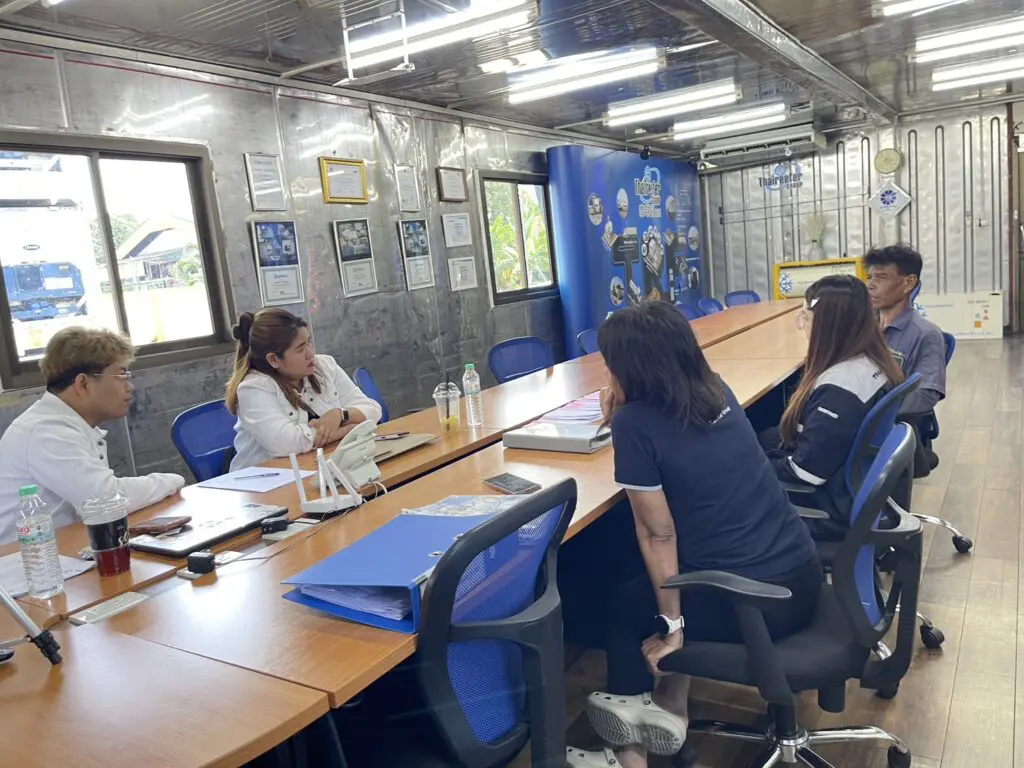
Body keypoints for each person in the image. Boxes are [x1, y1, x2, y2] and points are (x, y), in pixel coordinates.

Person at [566, 302, 821, 768]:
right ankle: (672, 708)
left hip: (752, 605)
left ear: (628, 367)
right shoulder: (715, 388)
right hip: (801, 579)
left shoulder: (634, 423)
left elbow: (658, 533)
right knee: (668, 574)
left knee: (623, 601)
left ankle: (629, 757)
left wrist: (673, 629)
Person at [0, 327, 185, 545]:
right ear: (83, 384)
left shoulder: (66, 424)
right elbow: (105, 499)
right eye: (121, 375)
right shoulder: (45, 430)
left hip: (65, 547)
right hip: (26, 560)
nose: (130, 386)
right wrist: (172, 481)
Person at [759, 275, 904, 540]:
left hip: (826, 508)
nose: (802, 325)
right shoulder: (873, 362)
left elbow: (806, 473)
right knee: (765, 437)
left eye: (805, 317)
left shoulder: (839, 388)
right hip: (850, 483)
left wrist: (752, 466)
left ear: (826, 326)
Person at [226, 309, 382, 471]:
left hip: (322, 466)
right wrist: (348, 429)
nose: (310, 354)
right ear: (273, 359)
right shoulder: (253, 388)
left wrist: (340, 415)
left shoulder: (324, 366)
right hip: (268, 479)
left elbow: (372, 409)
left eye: (309, 342)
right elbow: (286, 444)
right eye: (300, 349)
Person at [863, 244, 947, 472]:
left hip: (882, 427)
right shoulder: (862, 325)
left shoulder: (926, 334)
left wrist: (872, 411)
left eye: (881, 277)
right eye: (870, 277)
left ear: (908, 283)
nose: (870, 284)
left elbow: (926, 394)